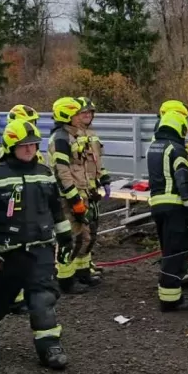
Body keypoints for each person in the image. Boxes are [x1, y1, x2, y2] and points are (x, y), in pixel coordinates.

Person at [0, 119, 71, 371]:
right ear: (10, 146)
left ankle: (50, 347)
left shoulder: (44, 173)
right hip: (6, 255)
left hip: (40, 250)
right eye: (24, 145)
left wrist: (65, 235)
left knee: (43, 298)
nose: (30, 149)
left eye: (33, 145)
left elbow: (56, 209)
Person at [148, 111, 188, 312]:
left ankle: (168, 294)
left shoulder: (154, 147)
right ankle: (171, 301)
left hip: (157, 205)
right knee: (176, 253)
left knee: (168, 250)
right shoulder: (176, 148)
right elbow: (182, 180)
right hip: (175, 206)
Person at [48, 97, 96, 293]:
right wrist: (74, 198)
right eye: (76, 114)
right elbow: (62, 171)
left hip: (80, 193)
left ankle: (80, 275)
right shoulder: (61, 138)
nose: (80, 117)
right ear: (67, 116)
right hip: (68, 197)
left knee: (85, 236)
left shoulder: (72, 136)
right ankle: (65, 282)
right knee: (69, 239)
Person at [75, 97, 111, 281]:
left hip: (92, 190)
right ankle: (75, 272)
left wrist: (104, 178)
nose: (88, 115)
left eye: (90, 112)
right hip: (79, 192)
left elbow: (97, 162)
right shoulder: (70, 136)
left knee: (92, 231)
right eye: (84, 112)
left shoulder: (91, 134)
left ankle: (86, 266)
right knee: (80, 232)